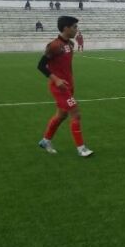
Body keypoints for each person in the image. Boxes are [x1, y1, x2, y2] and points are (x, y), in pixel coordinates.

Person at [37, 15, 94, 157]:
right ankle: (81, 148)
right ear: (66, 28)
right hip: (59, 88)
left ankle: (45, 140)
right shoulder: (54, 46)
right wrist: (56, 79)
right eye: (74, 27)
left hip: (69, 86)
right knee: (76, 113)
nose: (76, 29)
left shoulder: (71, 44)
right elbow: (41, 66)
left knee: (61, 115)